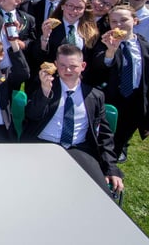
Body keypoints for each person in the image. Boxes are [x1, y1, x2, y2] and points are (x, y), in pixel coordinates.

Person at [22, 44, 124, 196]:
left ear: (83, 66)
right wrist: (44, 92)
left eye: (73, 66)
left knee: (99, 192)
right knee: (33, 188)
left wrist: (111, 168)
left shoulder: (94, 95)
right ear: (55, 65)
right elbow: (31, 115)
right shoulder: (44, 85)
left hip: (78, 147)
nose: (67, 70)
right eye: (62, 65)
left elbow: (104, 135)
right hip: (44, 144)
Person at [95, 5, 149, 159]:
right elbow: (96, 71)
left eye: (124, 20)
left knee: (121, 139)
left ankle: (114, 160)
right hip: (108, 99)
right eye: (113, 21)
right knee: (100, 138)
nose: (118, 25)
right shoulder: (101, 44)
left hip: (134, 101)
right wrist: (110, 51)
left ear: (135, 21)